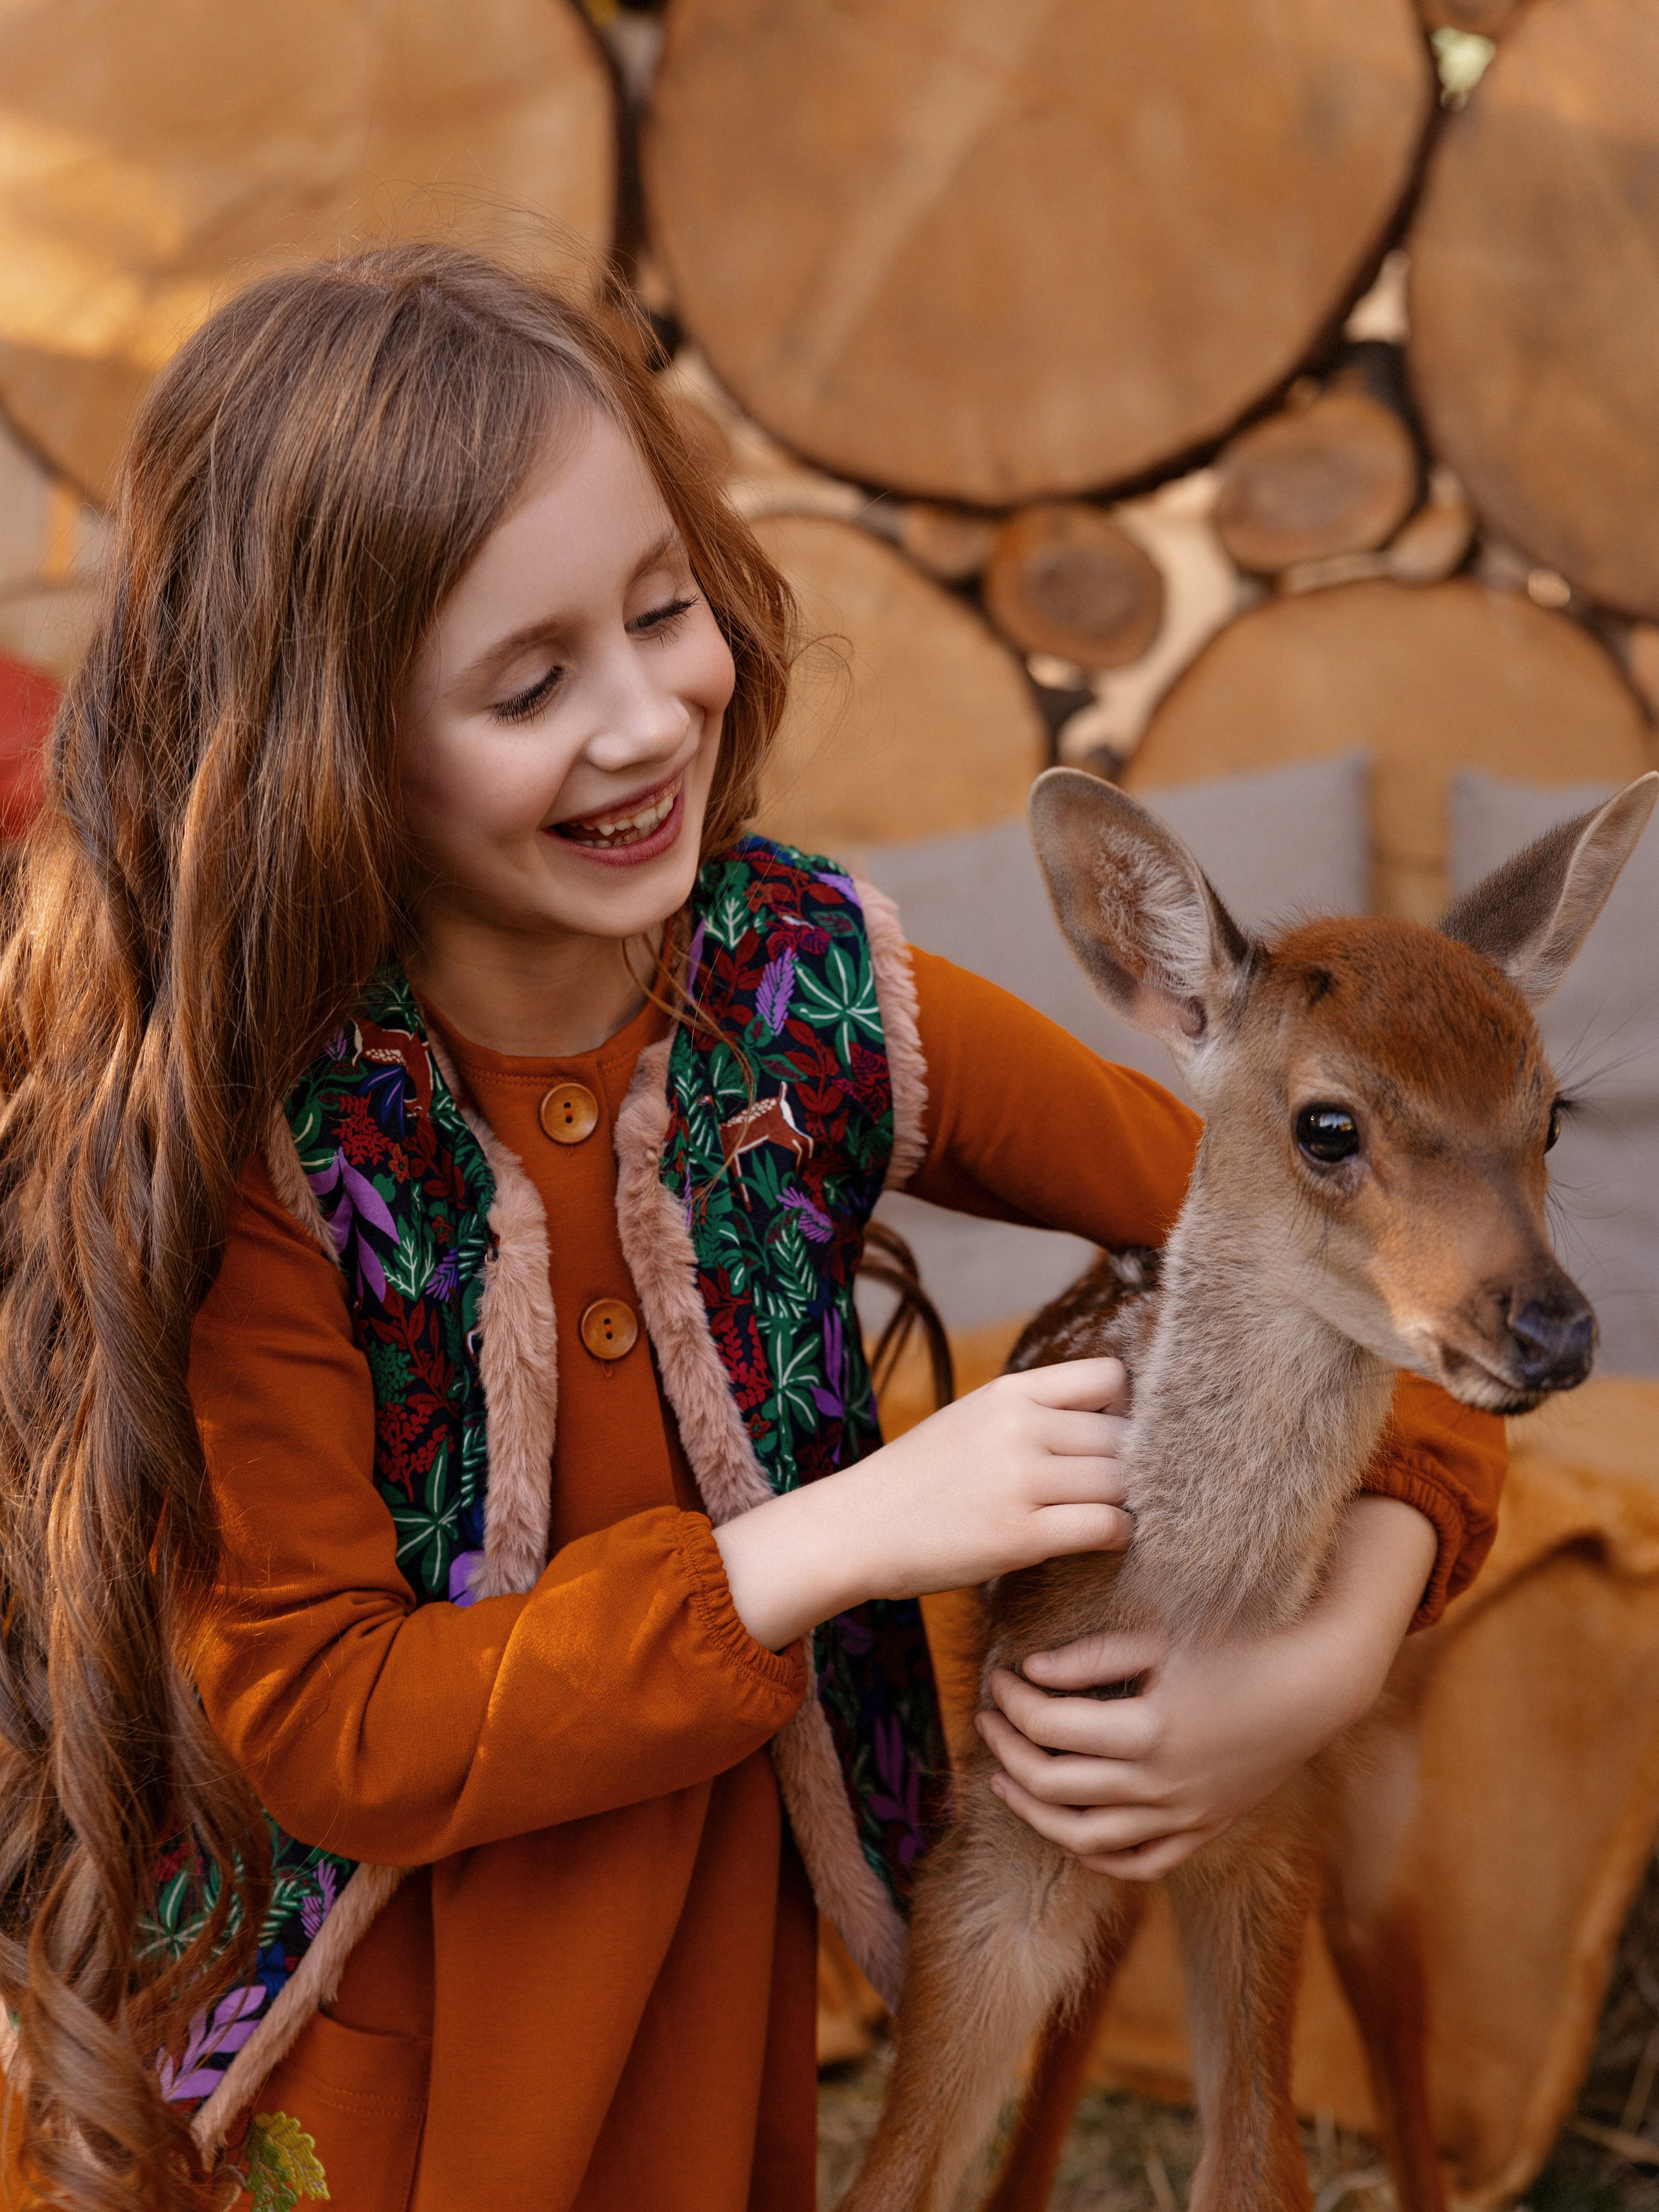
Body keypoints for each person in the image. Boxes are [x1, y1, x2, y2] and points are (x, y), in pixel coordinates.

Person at [0, 244, 1503, 2212]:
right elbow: (332, 1727)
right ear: (329, 740)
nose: (645, 719)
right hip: (353, 2046)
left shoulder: (811, 995)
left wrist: (1316, 1670)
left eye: (662, 611)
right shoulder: (260, 1144)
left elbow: (1365, 1270)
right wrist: (848, 1535)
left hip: (702, 2017)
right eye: (530, 683)